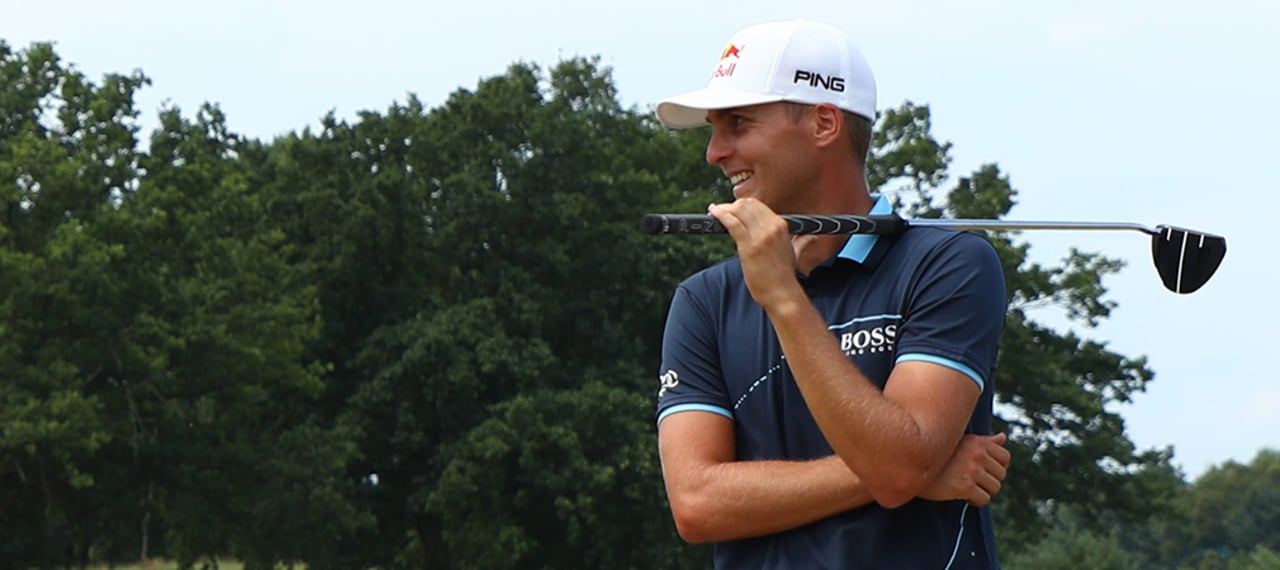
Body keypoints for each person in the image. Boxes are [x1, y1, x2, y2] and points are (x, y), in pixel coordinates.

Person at [652, 18, 1011, 569]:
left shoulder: (950, 264)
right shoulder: (705, 300)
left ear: (824, 124)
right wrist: (915, 470)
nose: (715, 152)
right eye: (713, 129)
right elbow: (697, 504)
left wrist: (785, 300)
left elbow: (897, 467)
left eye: (738, 123)